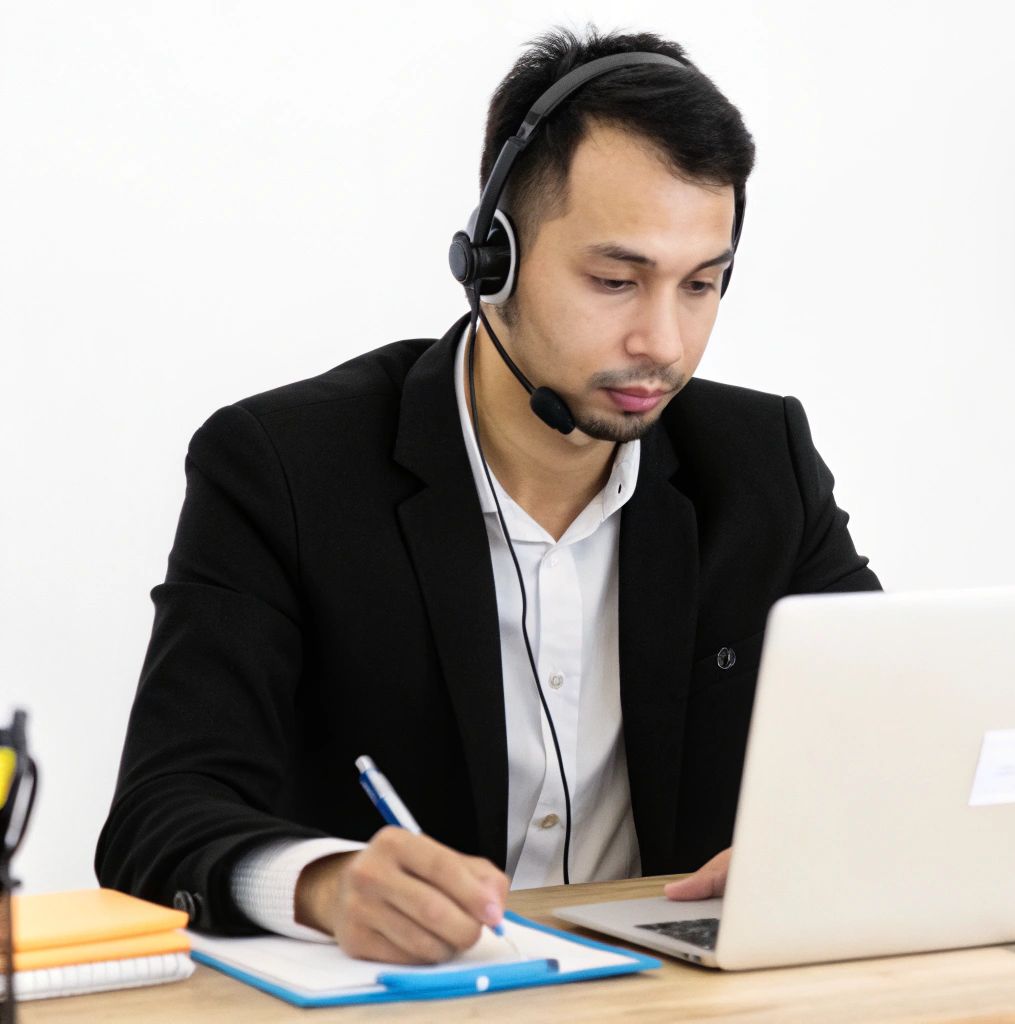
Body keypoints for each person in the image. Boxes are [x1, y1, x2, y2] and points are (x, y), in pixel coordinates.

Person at [94, 24, 880, 965]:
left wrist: (816, 852)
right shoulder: (282, 468)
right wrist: (326, 884)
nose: (664, 342)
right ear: (490, 261)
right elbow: (157, 818)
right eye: (615, 280)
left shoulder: (760, 463)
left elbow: (897, 735)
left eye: (702, 285)